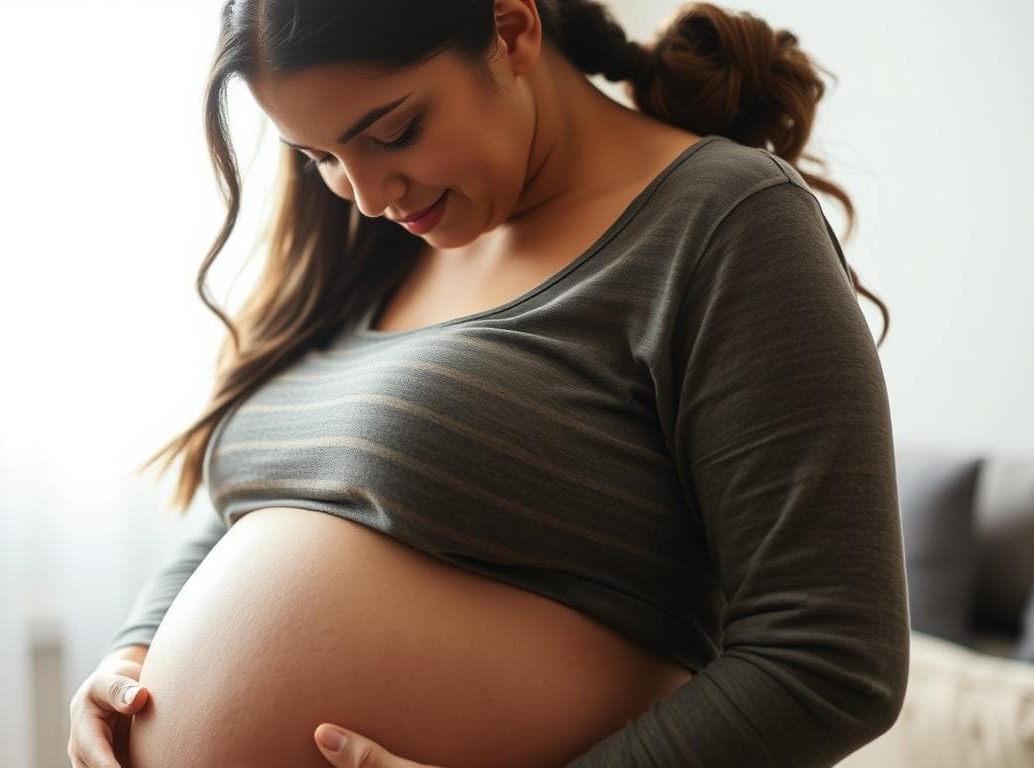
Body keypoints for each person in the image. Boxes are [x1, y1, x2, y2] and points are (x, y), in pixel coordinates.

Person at [68, 1, 909, 766]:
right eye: (321, 156)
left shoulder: (723, 222)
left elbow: (832, 655)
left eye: (392, 131)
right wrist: (135, 654)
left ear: (511, 32)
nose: (365, 195)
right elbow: (249, 502)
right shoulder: (381, 244)